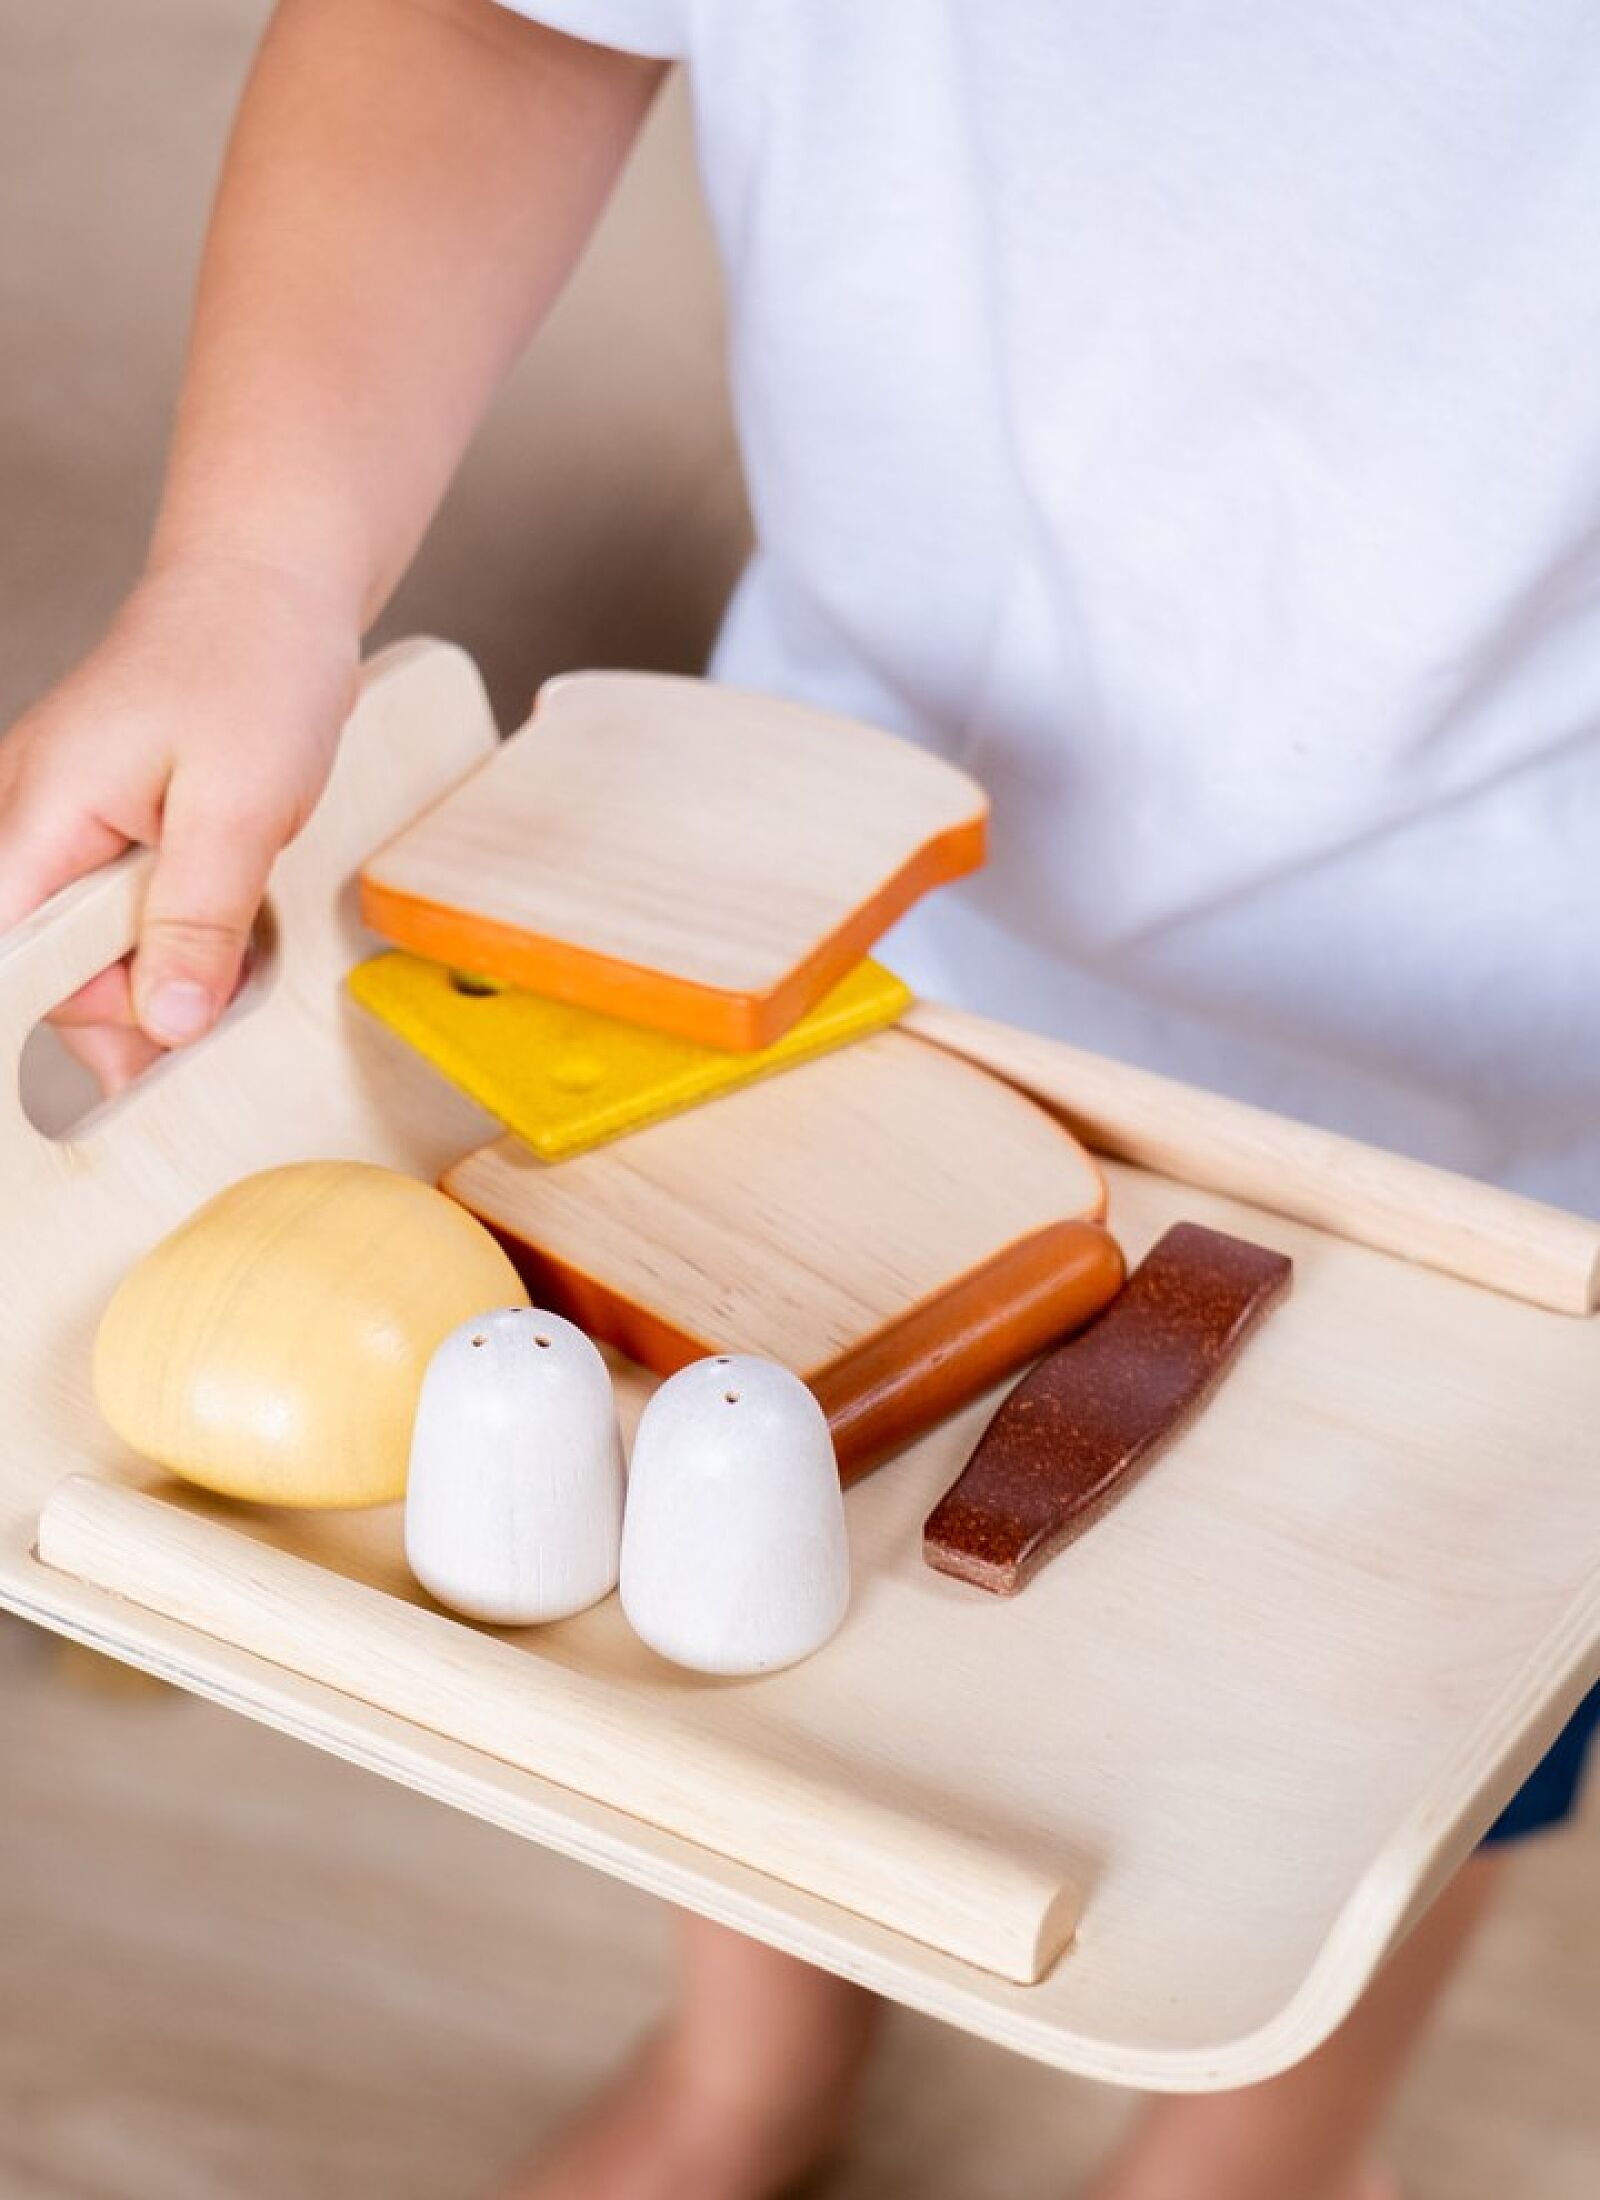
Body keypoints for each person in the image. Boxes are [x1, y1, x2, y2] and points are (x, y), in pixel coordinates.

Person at [2, 6, 1595, 2197]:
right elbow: (489, 22)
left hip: (1528, 1063)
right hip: (786, 886)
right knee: (729, 1536)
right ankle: (748, 2061)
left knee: (1369, 1755)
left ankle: (1248, 2153)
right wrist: (251, 567)